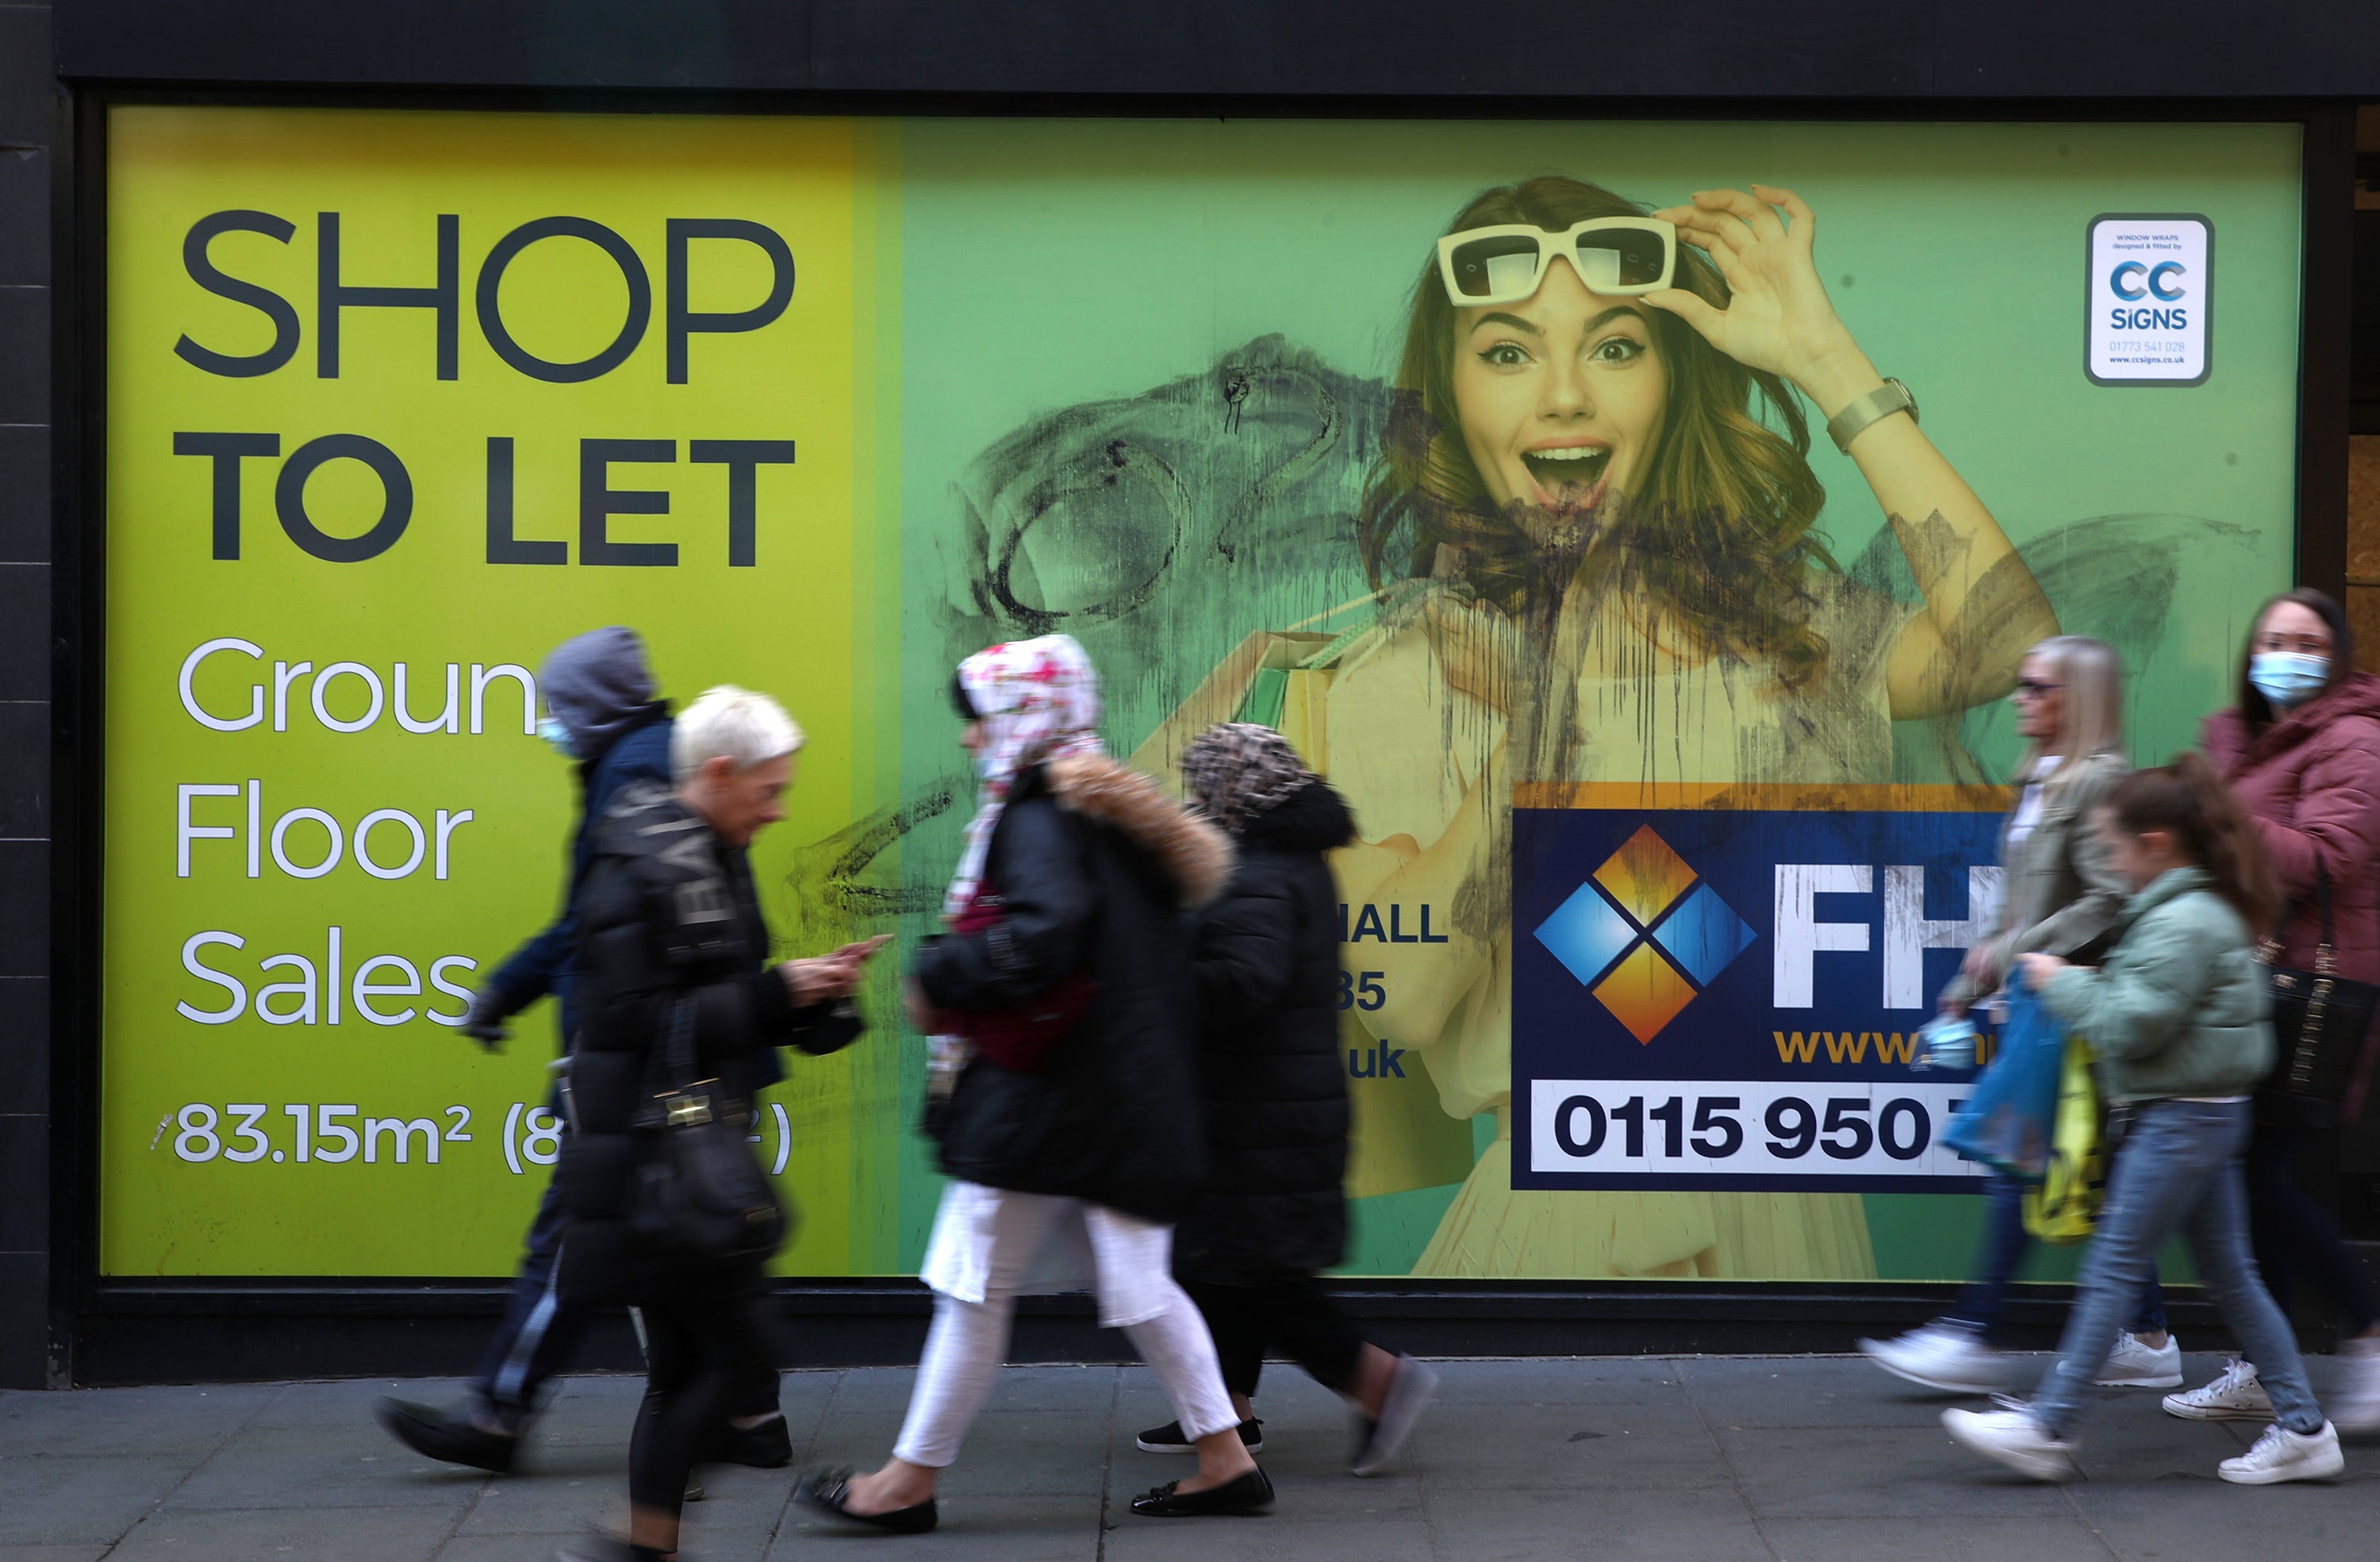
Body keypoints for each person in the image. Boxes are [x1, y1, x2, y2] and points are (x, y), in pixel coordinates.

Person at [1132, 173, 2058, 1280]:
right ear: (1450, 396)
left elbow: (2007, 645)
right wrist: (1542, 724)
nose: (1565, 397)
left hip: (1801, 1204)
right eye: (1508, 352)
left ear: (1673, 382)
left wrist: (1823, 359)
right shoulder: (1401, 670)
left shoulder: (1785, 632)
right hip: (1578, 1216)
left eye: (1617, 347)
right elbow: (1409, 998)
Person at [798, 634, 1272, 1531]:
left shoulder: (1040, 813)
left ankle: (906, 1482)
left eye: (979, 722)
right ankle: (1225, 1456)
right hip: (1113, 1096)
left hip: (1049, 1098)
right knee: (1137, 1283)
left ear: (1020, 715)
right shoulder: (1112, 810)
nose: (972, 741)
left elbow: (1046, 937)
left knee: (973, 1279)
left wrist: (943, 972)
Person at [380, 628, 785, 1476]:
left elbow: (600, 925)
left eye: (555, 707)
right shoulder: (640, 756)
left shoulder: (633, 771)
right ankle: (748, 1413)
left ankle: (501, 1410)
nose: (548, 724)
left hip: (645, 1065)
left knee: (580, 1237)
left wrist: (506, 989)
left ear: (590, 704)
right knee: (694, 1241)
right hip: (677, 1056)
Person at [1944, 756, 2345, 1485]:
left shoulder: (2181, 919)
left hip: (2181, 1119)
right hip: (2205, 1114)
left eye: (2115, 847)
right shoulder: (2187, 911)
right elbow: (2155, 1003)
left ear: (2155, 843)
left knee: (2112, 1270)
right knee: (2234, 1279)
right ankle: (2304, 1428)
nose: (2110, 862)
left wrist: (2061, 981)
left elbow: (2131, 1028)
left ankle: (2047, 1427)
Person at [555, 685, 886, 1562]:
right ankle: (636, 1539)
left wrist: (817, 998)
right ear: (720, 772)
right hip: (654, 1155)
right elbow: (633, 1020)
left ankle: (645, 1539)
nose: (778, 810)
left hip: (687, 1148)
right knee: (736, 1358)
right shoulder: (635, 865)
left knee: (685, 1370)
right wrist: (780, 991)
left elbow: (720, 999)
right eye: (769, 791)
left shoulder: (709, 853)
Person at [1860, 637, 2179, 1392]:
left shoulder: (2099, 782)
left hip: (2075, 1002)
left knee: (2017, 1156)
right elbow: (2019, 901)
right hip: (2040, 999)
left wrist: (2023, 954)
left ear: (2079, 699)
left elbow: (2110, 899)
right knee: (2086, 1167)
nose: (2019, 699)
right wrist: (1970, 984)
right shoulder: (2041, 778)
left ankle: (1977, 1329)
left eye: (2038, 687)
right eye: (2021, 683)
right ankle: (2150, 1334)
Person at [1130, 721, 1438, 1476]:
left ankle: (1378, 1381)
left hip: (1258, 1113)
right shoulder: (1285, 857)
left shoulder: (1256, 867)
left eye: (1203, 786)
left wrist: (1157, 975)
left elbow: (1247, 982)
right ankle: (1226, 1412)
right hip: (1269, 1107)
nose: (1193, 800)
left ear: (1232, 793)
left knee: (1259, 1275)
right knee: (1221, 1264)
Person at [2163, 589, 2380, 1430]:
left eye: (2306, 640)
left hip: (2303, 991)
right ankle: (2266, 1359)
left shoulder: (2355, 738)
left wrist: (2217, 814)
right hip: (2238, 984)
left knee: (2254, 1172)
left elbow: (2329, 856)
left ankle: (2364, 1330)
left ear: (2335, 655)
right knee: (2244, 1177)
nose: (2286, 652)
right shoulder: (2236, 735)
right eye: (2272, 638)